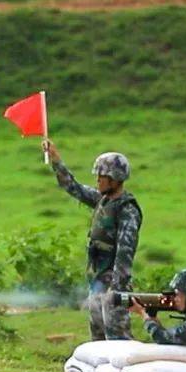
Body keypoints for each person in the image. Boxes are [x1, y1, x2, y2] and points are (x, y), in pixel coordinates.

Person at [42, 139, 142, 340]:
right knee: (97, 334)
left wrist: (117, 289)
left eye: (102, 177)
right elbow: (73, 188)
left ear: (115, 179)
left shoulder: (127, 210)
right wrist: (56, 160)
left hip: (113, 283)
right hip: (97, 280)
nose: (98, 180)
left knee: (117, 336)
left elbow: (125, 252)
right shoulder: (102, 200)